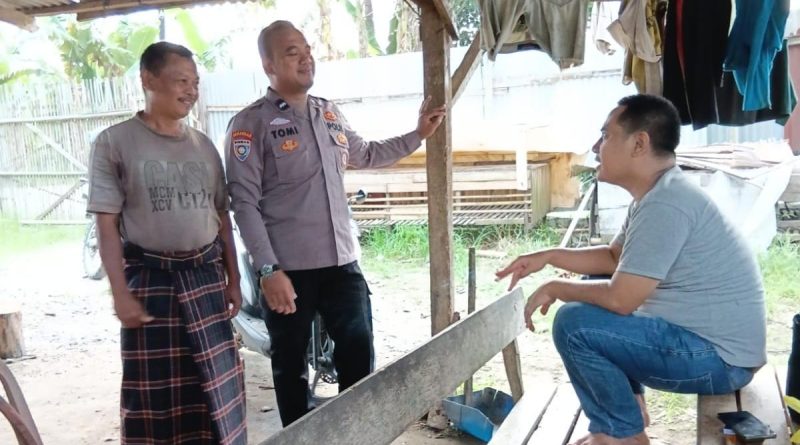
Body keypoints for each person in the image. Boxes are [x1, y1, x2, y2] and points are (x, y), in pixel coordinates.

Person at [496, 94, 766, 445]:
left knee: (574, 324)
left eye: (605, 135)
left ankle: (620, 435)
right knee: (592, 286)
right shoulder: (659, 194)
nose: (596, 148)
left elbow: (621, 300)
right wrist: (548, 256)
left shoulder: (667, 204)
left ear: (639, 144)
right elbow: (614, 258)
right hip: (714, 351)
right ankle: (628, 413)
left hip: (720, 361)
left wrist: (555, 287)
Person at [224, 20, 446, 427]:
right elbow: (244, 203)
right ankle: (299, 437)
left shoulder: (328, 112)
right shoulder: (249, 124)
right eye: (292, 52)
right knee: (290, 367)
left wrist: (418, 134)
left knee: (359, 354)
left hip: (343, 264)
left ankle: (356, 433)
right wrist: (268, 270)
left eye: (307, 49)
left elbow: (367, 153)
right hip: (288, 271)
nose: (306, 57)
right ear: (269, 65)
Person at [87, 41, 246, 444]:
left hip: (206, 278)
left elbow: (222, 218)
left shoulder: (204, 146)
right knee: (152, 397)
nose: (191, 91)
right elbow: (107, 225)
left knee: (216, 392)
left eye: (195, 82)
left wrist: (233, 279)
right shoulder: (114, 143)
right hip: (150, 282)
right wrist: (119, 293)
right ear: (148, 79)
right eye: (181, 81)